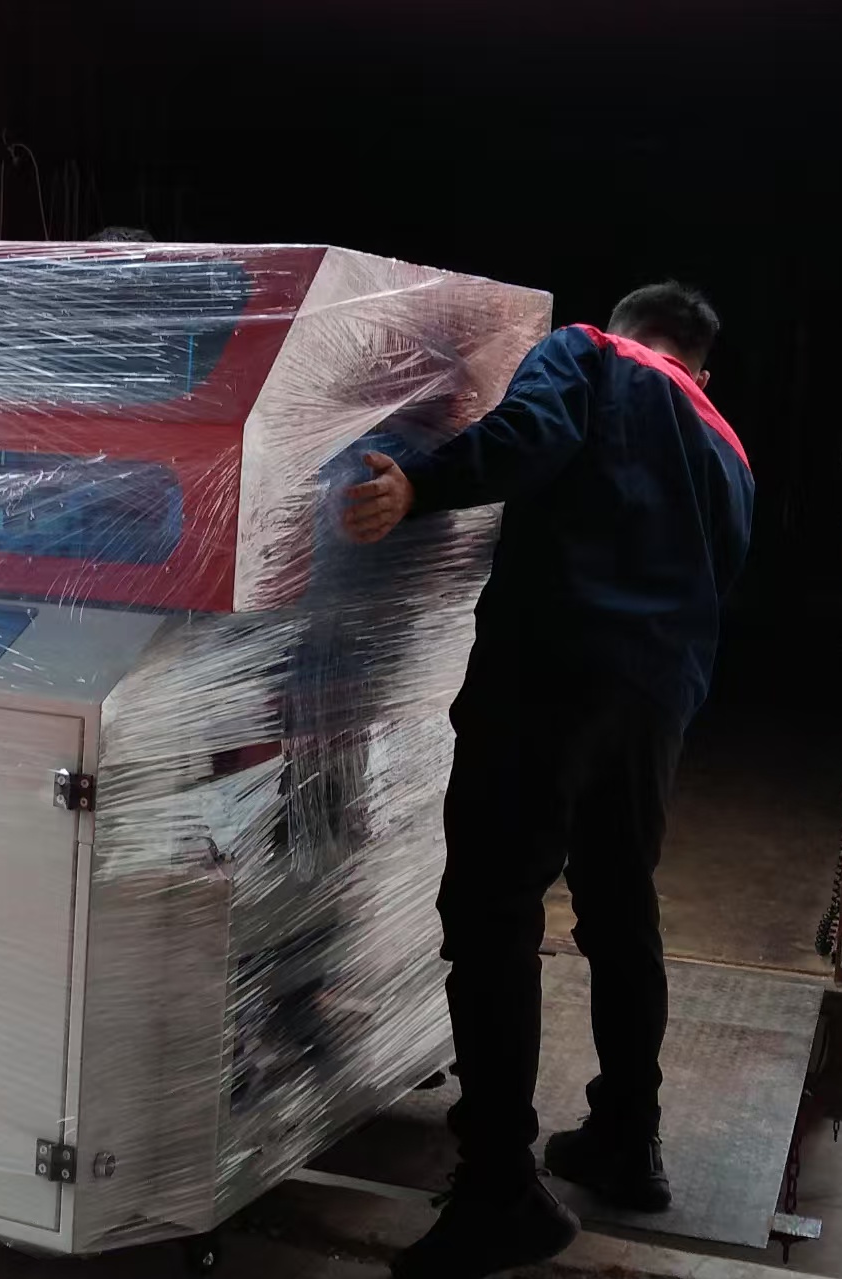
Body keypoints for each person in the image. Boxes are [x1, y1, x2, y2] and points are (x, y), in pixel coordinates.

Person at [341, 283, 753, 1278]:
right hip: (653, 705)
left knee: (492, 912)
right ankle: (626, 1138)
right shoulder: (729, 449)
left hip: (550, 672)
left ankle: (498, 1187)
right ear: (701, 364)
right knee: (619, 907)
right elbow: (720, 583)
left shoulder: (591, 353)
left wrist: (418, 485)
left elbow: (529, 436)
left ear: (630, 326)